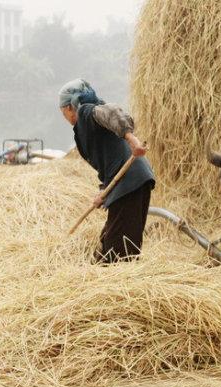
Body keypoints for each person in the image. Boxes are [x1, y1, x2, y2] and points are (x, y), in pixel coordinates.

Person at [59, 79, 155, 263]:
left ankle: (120, 284)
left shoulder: (86, 112)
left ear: (69, 108)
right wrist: (103, 191)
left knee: (118, 249)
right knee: (117, 241)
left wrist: (132, 140)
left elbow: (112, 111)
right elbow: (108, 162)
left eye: (62, 111)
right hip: (133, 179)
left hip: (130, 182)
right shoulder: (89, 124)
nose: (64, 116)